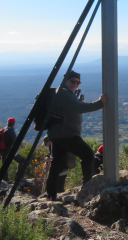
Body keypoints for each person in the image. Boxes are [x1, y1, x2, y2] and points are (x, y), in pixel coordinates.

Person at [45, 70, 107, 201]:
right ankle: (87, 186)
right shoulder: (63, 93)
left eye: (78, 82)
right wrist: (100, 103)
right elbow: (78, 108)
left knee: (57, 163)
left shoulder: (64, 92)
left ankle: (50, 193)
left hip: (58, 134)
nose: (75, 84)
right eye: (73, 81)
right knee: (88, 154)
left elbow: (76, 106)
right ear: (66, 80)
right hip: (66, 134)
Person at [0, 117, 26, 182]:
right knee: (22, 161)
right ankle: (19, 177)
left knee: (5, 165)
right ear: (13, 124)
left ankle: (5, 180)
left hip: (2, 151)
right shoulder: (11, 131)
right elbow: (15, 141)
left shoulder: (3, 129)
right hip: (9, 151)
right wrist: (21, 146)